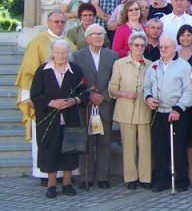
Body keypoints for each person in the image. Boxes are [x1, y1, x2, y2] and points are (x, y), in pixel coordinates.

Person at [15, 11, 77, 183]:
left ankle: (65, 177)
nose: (59, 25)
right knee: (46, 141)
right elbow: (28, 71)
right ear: (48, 22)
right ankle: (45, 175)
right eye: (55, 21)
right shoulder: (37, 43)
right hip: (45, 103)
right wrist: (31, 99)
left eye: (62, 22)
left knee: (65, 141)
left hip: (66, 106)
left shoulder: (68, 42)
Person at [31, 40, 89, 198]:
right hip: (49, 117)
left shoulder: (75, 70)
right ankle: (51, 185)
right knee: (51, 150)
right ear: (52, 53)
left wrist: (74, 100)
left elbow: (84, 92)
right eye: (58, 52)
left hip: (70, 118)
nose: (61, 56)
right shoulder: (42, 71)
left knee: (69, 150)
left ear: (68, 53)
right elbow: (35, 95)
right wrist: (51, 103)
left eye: (64, 53)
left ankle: (67, 183)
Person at [143, 35, 192, 192]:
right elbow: (146, 87)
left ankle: (181, 180)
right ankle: (162, 180)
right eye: (161, 47)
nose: (163, 50)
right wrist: (148, 98)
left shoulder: (184, 66)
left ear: (174, 48)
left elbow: (190, 89)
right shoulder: (153, 66)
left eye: (167, 47)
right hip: (158, 112)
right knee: (159, 148)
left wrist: (178, 109)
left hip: (176, 112)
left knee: (178, 148)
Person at [71, 24, 119, 189]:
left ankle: (103, 177)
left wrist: (103, 95)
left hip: (105, 104)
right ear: (87, 38)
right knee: (87, 141)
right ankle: (86, 176)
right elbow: (75, 80)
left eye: (101, 33)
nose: (98, 36)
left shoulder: (112, 55)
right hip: (86, 105)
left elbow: (116, 78)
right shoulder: (77, 56)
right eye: (94, 34)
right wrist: (89, 95)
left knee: (104, 142)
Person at [108, 32, 152, 190]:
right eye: (136, 45)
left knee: (145, 146)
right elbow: (112, 89)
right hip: (126, 110)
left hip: (144, 109)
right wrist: (124, 93)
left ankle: (145, 178)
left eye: (142, 45)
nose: (139, 48)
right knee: (128, 146)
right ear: (130, 46)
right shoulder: (119, 64)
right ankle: (131, 177)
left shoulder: (150, 64)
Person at [175, 25, 192, 187]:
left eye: (189, 35)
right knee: (178, 139)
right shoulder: (173, 55)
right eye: (183, 35)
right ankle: (179, 172)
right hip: (175, 102)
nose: (185, 38)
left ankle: (191, 173)